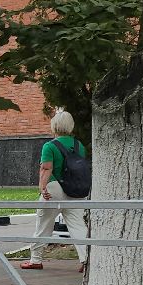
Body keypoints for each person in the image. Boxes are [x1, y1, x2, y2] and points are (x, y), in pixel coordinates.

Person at [18, 109, 90, 272]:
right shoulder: (80, 146)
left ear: (54, 126)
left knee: (43, 224)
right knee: (78, 226)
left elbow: (46, 168)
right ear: (71, 126)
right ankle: (86, 261)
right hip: (75, 189)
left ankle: (35, 260)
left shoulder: (49, 146)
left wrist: (42, 187)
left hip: (54, 188)